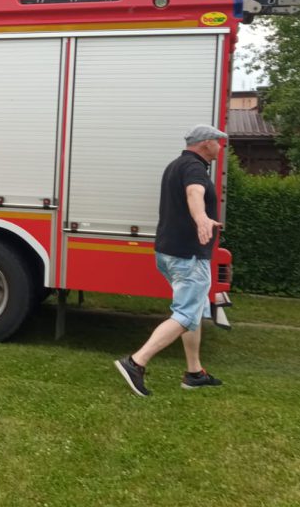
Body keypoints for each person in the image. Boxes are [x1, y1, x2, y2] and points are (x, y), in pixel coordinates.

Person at [114, 124, 228, 397]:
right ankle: (136, 362)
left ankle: (194, 373)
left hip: (169, 253)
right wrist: (201, 218)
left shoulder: (176, 165)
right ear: (205, 143)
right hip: (188, 256)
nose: (220, 146)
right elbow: (194, 193)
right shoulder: (194, 168)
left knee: (193, 310)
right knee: (186, 313)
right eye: (218, 141)